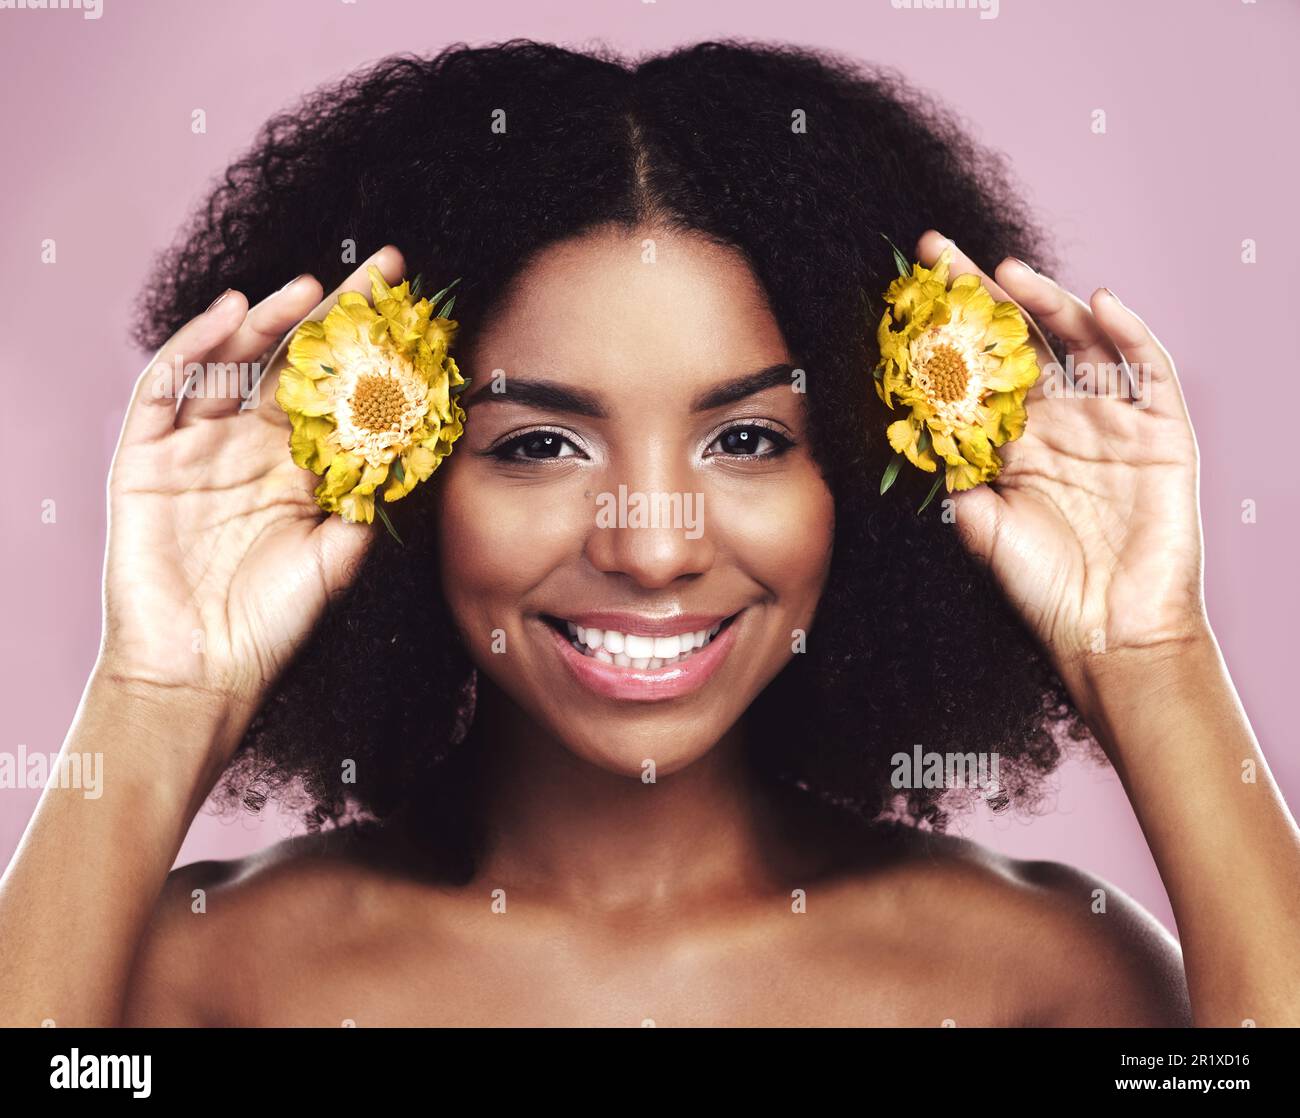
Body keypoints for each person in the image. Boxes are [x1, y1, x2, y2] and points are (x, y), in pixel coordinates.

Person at [2, 41, 1295, 1027]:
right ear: (400, 476)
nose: (655, 545)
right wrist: (154, 691)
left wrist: (1153, 654)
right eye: (538, 444)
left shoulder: (1049, 978)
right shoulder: (192, 978)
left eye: (746, 439)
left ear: (855, 465)